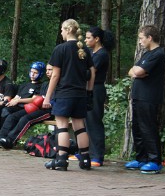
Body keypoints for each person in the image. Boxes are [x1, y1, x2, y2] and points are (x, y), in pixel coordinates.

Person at [42, 19, 95, 171]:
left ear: (67, 30)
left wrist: (48, 96)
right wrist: (89, 91)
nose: (61, 33)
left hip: (64, 93)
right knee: (80, 127)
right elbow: (92, 72)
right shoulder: (83, 49)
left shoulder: (60, 49)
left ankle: (61, 159)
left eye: (61, 30)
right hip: (80, 94)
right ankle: (85, 159)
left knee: (62, 126)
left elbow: (55, 75)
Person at [125, 25, 165, 174]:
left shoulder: (158, 54)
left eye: (141, 38)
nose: (140, 42)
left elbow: (139, 71)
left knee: (148, 128)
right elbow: (132, 71)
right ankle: (141, 158)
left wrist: (138, 72)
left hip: (148, 97)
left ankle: (154, 160)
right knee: (137, 128)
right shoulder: (146, 54)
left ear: (150, 38)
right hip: (138, 96)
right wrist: (137, 72)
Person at [0, 61, 46, 147]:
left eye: (35, 73)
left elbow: (34, 100)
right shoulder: (24, 85)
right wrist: (11, 102)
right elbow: (16, 97)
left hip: (27, 108)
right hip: (17, 106)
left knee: (12, 117)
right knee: (4, 110)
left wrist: (18, 101)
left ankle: (6, 138)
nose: (32, 74)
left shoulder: (40, 86)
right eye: (31, 72)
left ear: (40, 74)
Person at [85, 26, 115, 167]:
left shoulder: (102, 54)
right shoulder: (91, 52)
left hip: (96, 89)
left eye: (88, 38)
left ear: (97, 39)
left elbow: (90, 71)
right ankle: (85, 152)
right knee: (85, 121)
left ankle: (97, 156)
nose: (86, 40)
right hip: (86, 89)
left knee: (94, 121)